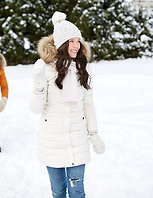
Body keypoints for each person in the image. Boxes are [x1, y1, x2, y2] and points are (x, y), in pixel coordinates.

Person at [29, 11, 105, 197]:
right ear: (61, 43)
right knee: (58, 192)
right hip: (51, 142)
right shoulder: (46, 69)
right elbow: (35, 108)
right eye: (71, 41)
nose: (76, 45)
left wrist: (93, 134)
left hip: (77, 141)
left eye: (78, 41)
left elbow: (88, 105)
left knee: (77, 191)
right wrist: (38, 82)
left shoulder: (83, 69)